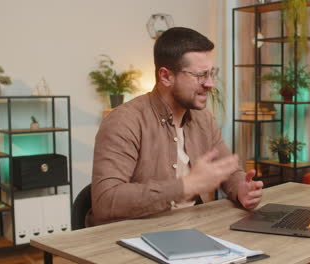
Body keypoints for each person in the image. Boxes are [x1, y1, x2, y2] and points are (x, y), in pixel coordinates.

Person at [87, 27, 263, 226]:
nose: (210, 84)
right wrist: (185, 186)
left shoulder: (203, 120)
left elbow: (228, 172)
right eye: (200, 75)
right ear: (166, 76)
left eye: (211, 74)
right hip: (134, 237)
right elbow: (106, 200)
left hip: (193, 229)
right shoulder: (124, 121)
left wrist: (241, 188)